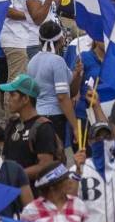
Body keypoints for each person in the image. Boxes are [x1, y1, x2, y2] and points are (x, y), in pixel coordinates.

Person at [0, 74, 64, 182]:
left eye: (12, 95)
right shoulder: (12, 124)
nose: (8, 99)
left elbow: (45, 166)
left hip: (34, 194)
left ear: (25, 99)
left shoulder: (43, 128)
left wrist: (14, 175)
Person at [27, 21, 78, 149]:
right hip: (54, 119)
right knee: (55, 160)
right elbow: (62, 97)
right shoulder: (57, 61)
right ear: (61, 40)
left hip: (37, 116)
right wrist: (75, 127)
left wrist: (76, 73)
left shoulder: (33, 61)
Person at [21, 162, 89, 222]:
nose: (70, 181)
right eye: (65, 179)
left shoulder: (78, 204)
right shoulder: (31, 211)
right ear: (52, 187)